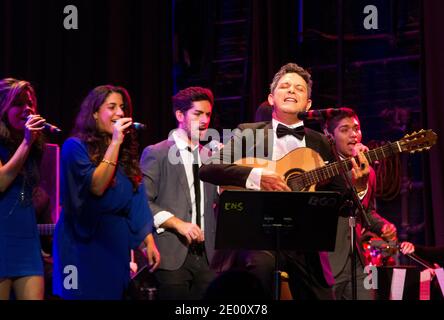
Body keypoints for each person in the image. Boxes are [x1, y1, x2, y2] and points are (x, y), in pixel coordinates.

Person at [199, 63, 370, 300]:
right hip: (257, 236)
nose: (292, 91)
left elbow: (341, 201)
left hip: (305, 241)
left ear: (308, 103)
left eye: (299, 88)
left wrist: (359, 186)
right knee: (260, 272)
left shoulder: (321, 142)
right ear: (271, 98)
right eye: (285, 86)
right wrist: (256, 177)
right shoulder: (248, 132)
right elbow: (209, 168)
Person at [52, 85, 160, 300]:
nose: (120, 113)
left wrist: (148, 241)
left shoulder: (124, 154)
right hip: (80, 244)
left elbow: (136, 199)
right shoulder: (74, 147)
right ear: (94, 113)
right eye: (112, 107)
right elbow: (97, 186)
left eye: (122, 108)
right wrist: (116, 142)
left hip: (113, 243)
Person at [140, 86, 218, 300]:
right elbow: (143, 202)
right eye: (197, 113)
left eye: (208, 114)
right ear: (180, 115)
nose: (204, 120)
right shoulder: (157, 152)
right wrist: (178, 224)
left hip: (207, 255)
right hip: (172, 252)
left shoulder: (211, 156)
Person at [323, 107, 397, 300]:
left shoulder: (367, 171)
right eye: (344, 129)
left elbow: (367, 211)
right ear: (329, 135)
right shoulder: (324, 168)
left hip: (357, 259)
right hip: (330, 260)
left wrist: (383, 226)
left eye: (356, 128)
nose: (354, 135)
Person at [0, 78, 46, 300]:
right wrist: (26, 143)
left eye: (29, 103)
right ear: (3, 107)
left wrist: (29, 142)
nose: (26, 108)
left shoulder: (34, 146)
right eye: (18, 103)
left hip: (26, 237)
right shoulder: (25, 144)